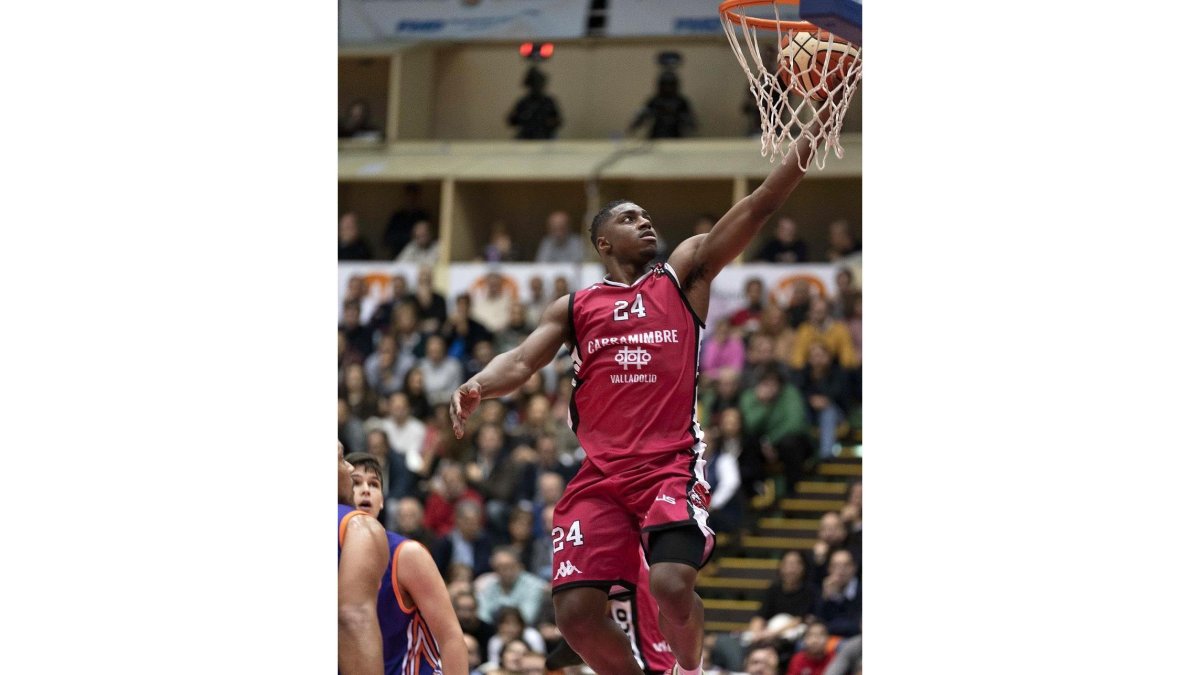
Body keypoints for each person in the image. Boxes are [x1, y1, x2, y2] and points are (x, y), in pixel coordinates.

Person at [450, 127, 827, 675]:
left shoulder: (684, 277)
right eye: (629, 218)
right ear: (603, 243)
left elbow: (760, 205)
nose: (645, 221)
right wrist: (478, 384)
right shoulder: (576, 306)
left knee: (672, 585)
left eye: (646, 215)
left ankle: (687, 671)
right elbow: (523, 360)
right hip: (601, 474)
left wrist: (809, 138)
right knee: (576, 616)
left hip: (668, 464)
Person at [346, 452, 470, 675]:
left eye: (374, 484)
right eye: (355, 483)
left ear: (382, 500)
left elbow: (451, 638)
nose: (366, 489)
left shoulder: (407, 555)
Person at [338, 442, 390, 674]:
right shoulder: (357, 526)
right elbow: (353, 617)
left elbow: (449, 634)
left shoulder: (406, 552)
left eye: (374, 484)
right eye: (340, 460)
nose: (348, 469)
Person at [629, 71, 695, 139]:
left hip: (675, 137)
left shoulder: (681, 102)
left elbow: (691, 124)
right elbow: (640, 118)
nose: (667, 88)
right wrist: (648, 114)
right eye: (664, 85)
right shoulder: (655, 101)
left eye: (670, 85)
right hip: (656, 136)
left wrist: (679, 115)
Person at [508, 66, 562, 140]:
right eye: (533, 84)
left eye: (538, 84)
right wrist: (523, 118)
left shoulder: (548, 102)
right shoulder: (524, 102)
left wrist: (547, 122)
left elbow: (558, 121)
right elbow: (511, 121)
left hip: (545, 137)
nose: (536, 87)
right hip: (526, 138)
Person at [385, 183, 431, 259]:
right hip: (398, 255)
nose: (411, 199)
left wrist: (419, 239)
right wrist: (408, 237)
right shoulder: (398, 217)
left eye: (414, 196)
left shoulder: (423, 215)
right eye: (409, 196)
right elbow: (387, 239)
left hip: (420, 255)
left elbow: (429, 236)